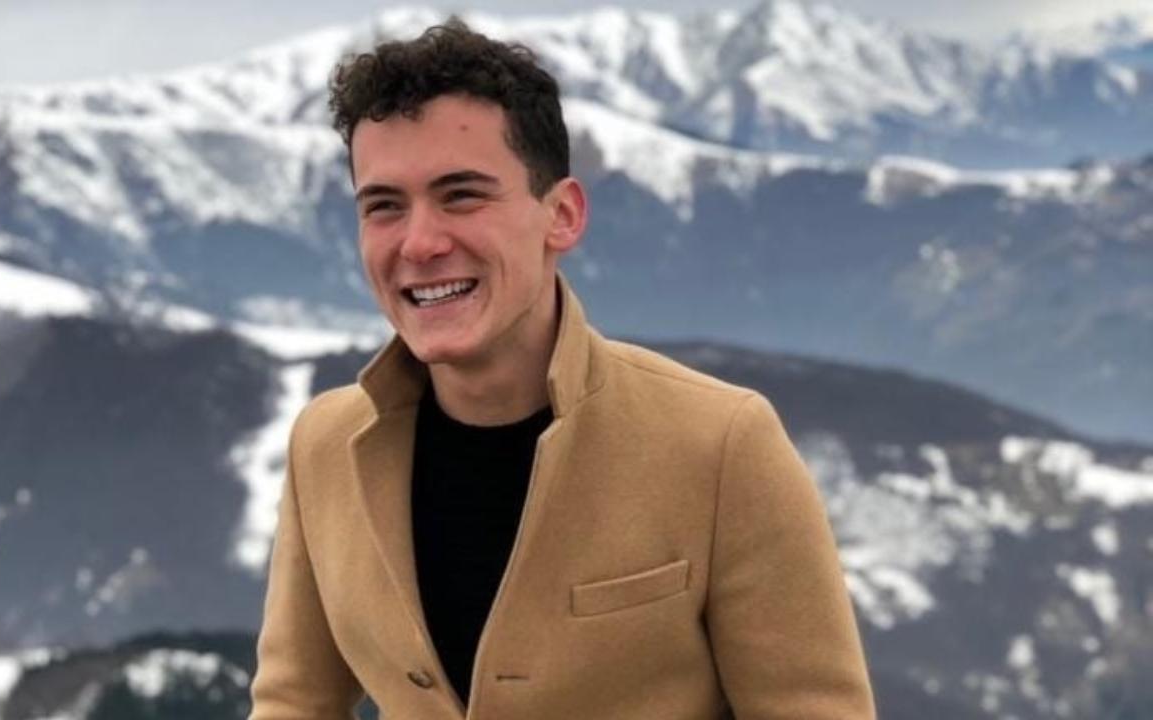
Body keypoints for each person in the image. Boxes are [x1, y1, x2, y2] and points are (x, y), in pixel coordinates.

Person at [249, 19, 875, 720]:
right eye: (384, 206)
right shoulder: (324, 446)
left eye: (462, 195)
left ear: (564, 215)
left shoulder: (722, 444)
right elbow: (292, 703)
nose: (419, 243)